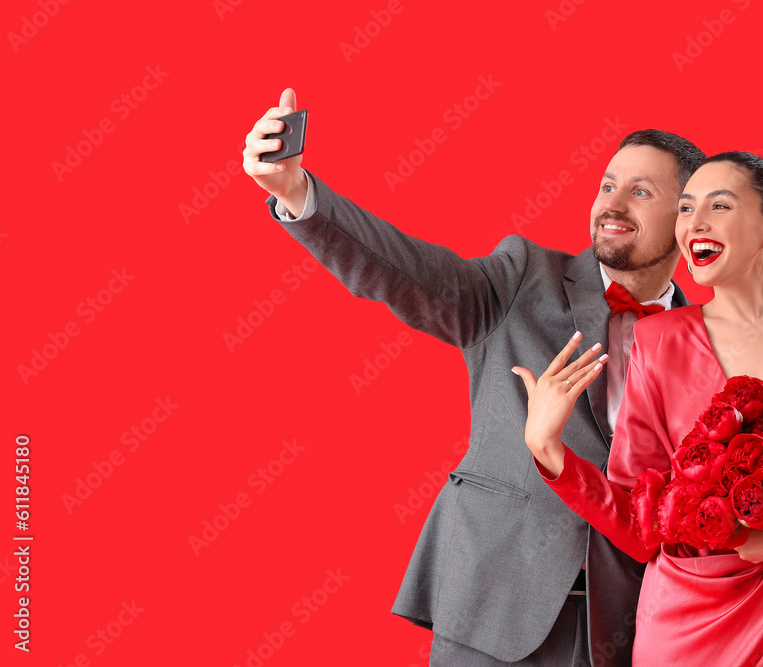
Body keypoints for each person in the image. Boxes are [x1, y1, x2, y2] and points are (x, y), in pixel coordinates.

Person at [243, 88, 706, 665]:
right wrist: (300, 195)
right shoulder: (523, 276)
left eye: (641, 192)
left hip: (629, 625)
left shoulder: (711, 342)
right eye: (608, 185)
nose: (613, 204)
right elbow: (406, 273)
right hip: (495, 603)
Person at [514, 151, 763, 666]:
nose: (695, 224)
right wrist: (548, 450)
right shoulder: (658, 343)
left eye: (720, 206)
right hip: (684, 631)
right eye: (686, 209)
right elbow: (640, 526)